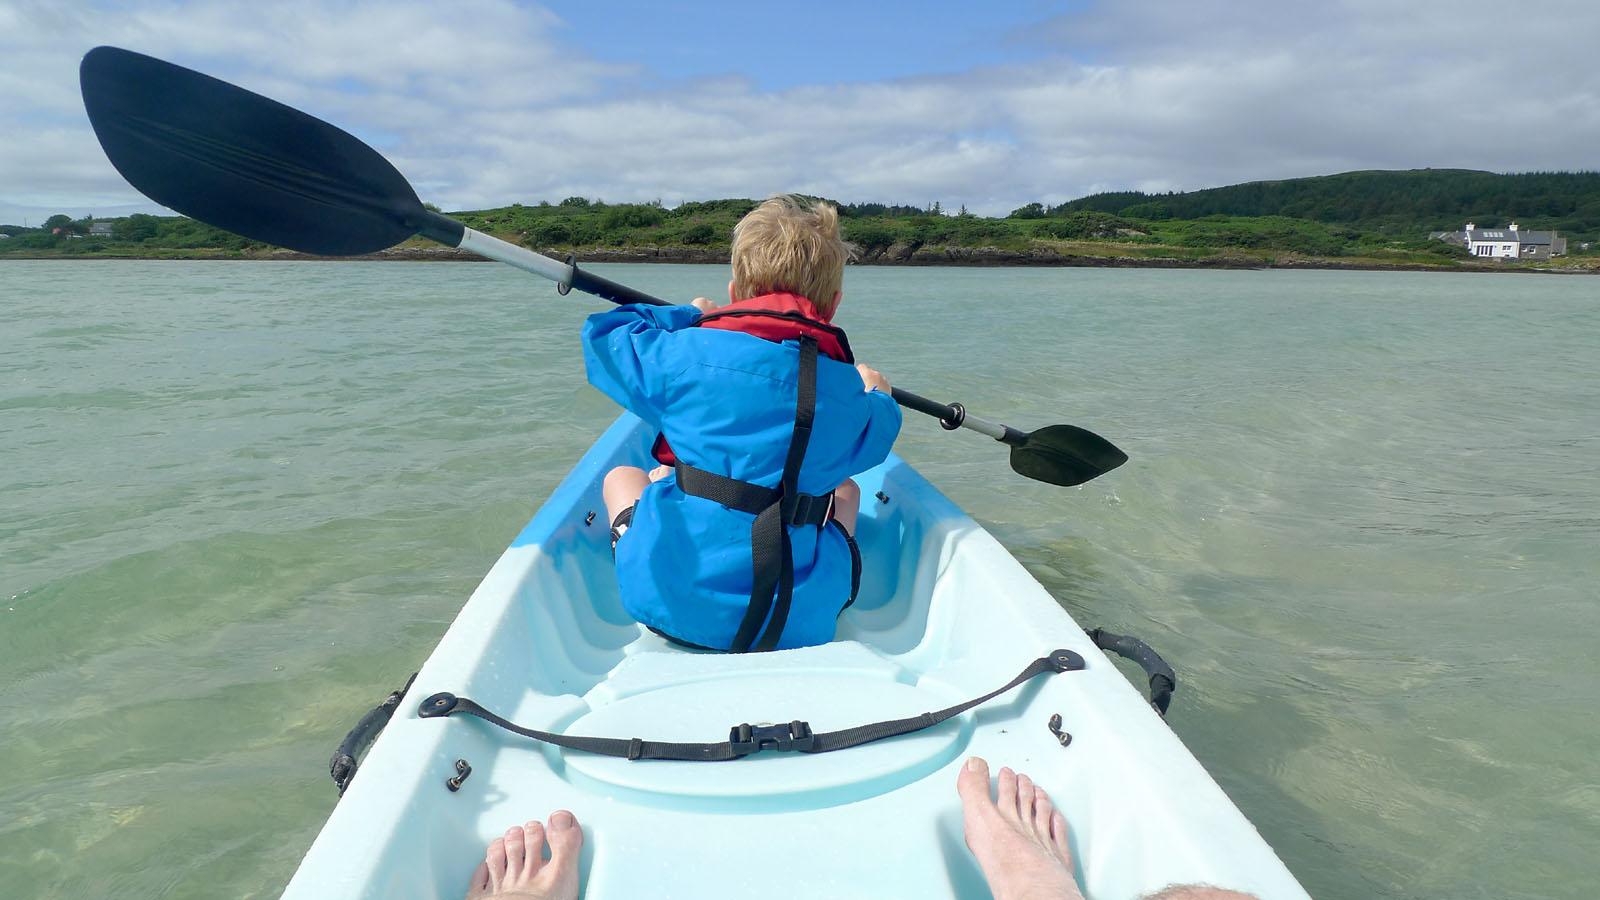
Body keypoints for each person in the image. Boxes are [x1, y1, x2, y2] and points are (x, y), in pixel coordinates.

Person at [582, 195, 901, 653]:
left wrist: (690, 316)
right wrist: (877, 394)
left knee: (622, 477)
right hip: (800, 623)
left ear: (735, 293)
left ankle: (651, 507)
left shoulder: (684, 354)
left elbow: (604, 336)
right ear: (832, 306)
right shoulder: (846, 391)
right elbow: (879, 438)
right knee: (847, 490)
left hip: (672, 609)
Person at [463, 759, 1261, 900]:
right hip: (808, 578)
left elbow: (609, 353)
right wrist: (873, 393)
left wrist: (681, 323)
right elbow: (868, 447)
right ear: (833, 298)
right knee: (840, 497)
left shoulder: (670, 358)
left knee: (629, 484)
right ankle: (1035, 886)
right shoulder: (841, 383)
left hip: (668, 585)